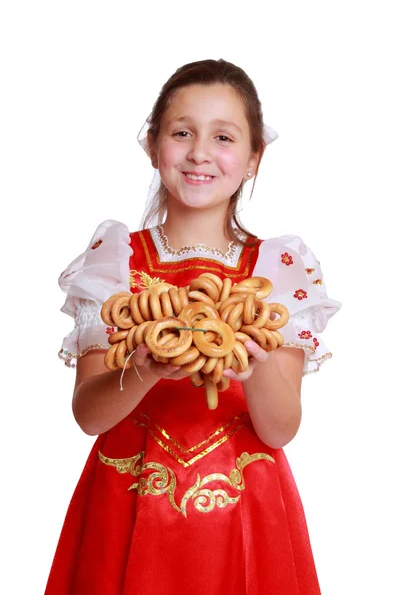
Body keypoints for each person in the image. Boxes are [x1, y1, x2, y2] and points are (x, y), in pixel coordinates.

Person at [45, 59, 341, 595]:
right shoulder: (115, 265)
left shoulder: (277, 274)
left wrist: (253, 369)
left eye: (223, 137)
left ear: (254, 158)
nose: (200, 152)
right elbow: (89, 416)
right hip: (126, 498)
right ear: (153, 145)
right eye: (182, 133)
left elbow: (280, 430)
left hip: (245, 510)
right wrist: (145, 368)